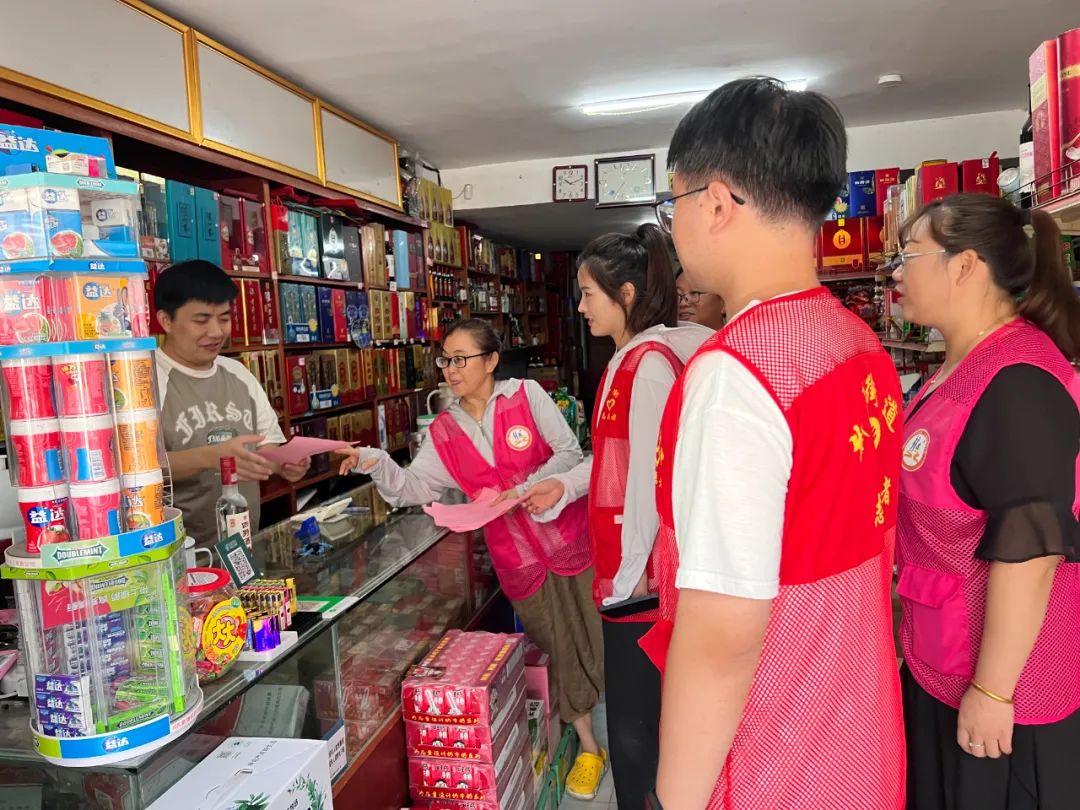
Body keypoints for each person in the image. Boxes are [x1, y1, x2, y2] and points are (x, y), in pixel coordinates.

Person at [644, 77, 905, 809]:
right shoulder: (857, 343)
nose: (674, 226)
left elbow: (722, 636)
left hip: (773, 757)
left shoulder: (739, 373)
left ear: (715, 204)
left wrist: (676, 799)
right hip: (856, 735)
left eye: (673, 203)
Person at [336, 319, 607, 798]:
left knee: (594, 635)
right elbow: (414, 489)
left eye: (461, 359)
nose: (451, 369)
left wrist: (523, 489)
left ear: (492, 361)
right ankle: (588, 745)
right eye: (446, 360)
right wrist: (376, 462)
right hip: (517, 560)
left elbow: (568, 453)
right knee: (559, 644)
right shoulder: (444, 430)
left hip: (568, 539)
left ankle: (616, 720)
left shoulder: (526, 396)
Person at [891, 193, 1080, 810]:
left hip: (1006, 695)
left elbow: (1033, 551)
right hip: (942, 659)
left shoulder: (1017, 381)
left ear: (965, 265)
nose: (895, 272)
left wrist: (995, 691)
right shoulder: (961, 367)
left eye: (909, 254)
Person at [520, 224, 710, 808]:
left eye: (587, 294)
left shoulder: (648, 365)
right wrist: (565, 485)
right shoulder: (627, 361)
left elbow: (653, 483)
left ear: (626, 294)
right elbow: (613, 459)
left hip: (641, 580)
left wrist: (628, 581)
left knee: (635, 728)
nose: (580, 308)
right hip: (627, 571)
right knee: (633, 718)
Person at [155, 260, 310, 547]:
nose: (216, 332)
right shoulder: (148, 380)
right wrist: (211, 457)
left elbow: (266, 449)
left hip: (243, 544)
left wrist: (283, 464)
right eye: (201, 321)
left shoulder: (238, 373)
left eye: (224, 318)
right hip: (183, 553)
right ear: (166, 321)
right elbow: (138, 472)